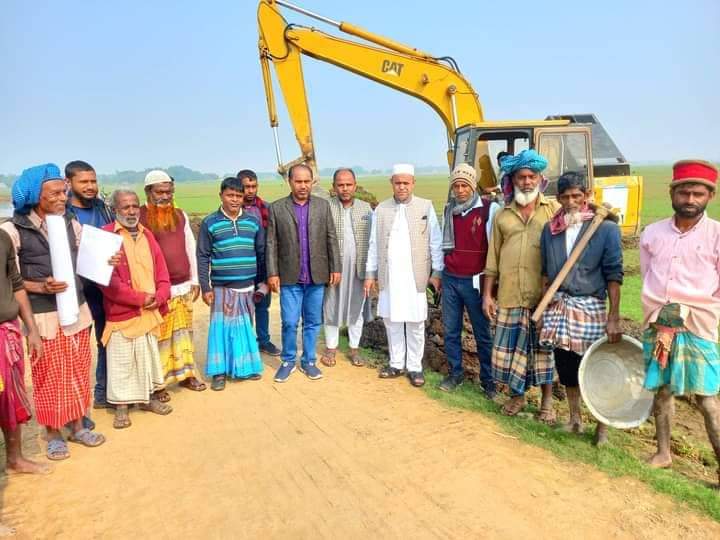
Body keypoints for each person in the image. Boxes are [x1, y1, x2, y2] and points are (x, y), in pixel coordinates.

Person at [2, 163, 106, 460]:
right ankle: (51, 432)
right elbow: (11, 278)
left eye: (63, 191)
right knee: (48, 373)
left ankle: (77, 424)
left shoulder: (69, 222)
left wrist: (104, 260)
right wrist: (40, 287)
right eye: (56, 193)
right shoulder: (13, 230)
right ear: (36, 196)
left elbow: (85, 260)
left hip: (77, 309)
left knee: (77, 368)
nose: (63, 197)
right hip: (43, 314)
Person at [640, 160, 720, 484]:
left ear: (709, 196)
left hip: (698, 325)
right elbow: (647, 274)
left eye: (697, 193)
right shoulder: (652, 233)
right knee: (661, 390)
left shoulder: (717, 234)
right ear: (672, 193)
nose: (690, 198)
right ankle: (663, 454)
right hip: (659, 321)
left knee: (707, 399)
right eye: (684, 191)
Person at [538, 172, 623, 444]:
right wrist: (543, 304)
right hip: (559, 306)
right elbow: (545, 272)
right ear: (558, 198)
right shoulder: (551, 230)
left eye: (577, 195)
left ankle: (602, 426)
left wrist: (614, 316)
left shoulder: (605, 229)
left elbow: (614, 274)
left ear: (587, 196)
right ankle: (575, 419)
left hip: (590, 306)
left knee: (597, 366)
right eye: (565, 196)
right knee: (566, 366)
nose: (572, 201)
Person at [482, 149, 560, 421]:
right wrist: (487, 295)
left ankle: (547, 404)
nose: (526, 182)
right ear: (513, 180)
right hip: (509, 294)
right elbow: (493, 257)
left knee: (544, 352)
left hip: (543, 297)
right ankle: (517, 398)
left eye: (531, 176)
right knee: (511, 350)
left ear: (540, 178)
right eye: (521, 177)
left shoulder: (554, 211)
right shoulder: (502, 215)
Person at [364, 164, 443, 388]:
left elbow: (435, 242)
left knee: (416, 322)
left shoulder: (425, 207)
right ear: (392, 183)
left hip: (415, 277)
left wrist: (437, 272)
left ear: (413, 183)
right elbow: (373, 244)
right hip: (390, 277)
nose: (402, 187)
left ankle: (415, 367)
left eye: (406, 183)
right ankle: (396, 363)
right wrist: (371, 273)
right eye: (398, 183)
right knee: (392, 321)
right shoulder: (381, 209)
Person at [101, 189, 173, 428]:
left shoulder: (147, 235)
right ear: (115, 210)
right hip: (123, 312)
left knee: (147, 357)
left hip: (150, 309)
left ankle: (148, 398)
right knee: (121, 362)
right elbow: (108, 282)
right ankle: (121, 408)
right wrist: (139, 299)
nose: (131, 211)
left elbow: (162, 271)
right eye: (125, 207)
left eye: (134, 206)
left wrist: (161, 295)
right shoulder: (106, 236)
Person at [266, 164, 341, 383]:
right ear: (289, 182)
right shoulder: (277, 208)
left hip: (317, 275)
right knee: (290, 321)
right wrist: (272, 273)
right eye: (298, 181)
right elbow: (271, 243)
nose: (303, 186)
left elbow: (331, 238)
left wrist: (335, 267)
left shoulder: (322, 206)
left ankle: (309, 361)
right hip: (290, 276)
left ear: (313, 182)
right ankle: (288, 360)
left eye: (307, 181)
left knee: (312, 321)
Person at [139, 170, 206, 396]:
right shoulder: (138, 217)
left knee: (185, 334)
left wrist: (195, 279)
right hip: (157, 290)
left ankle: (186, 375)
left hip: (183, 286)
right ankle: (159, 385)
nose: (165, 196)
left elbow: (190, 247)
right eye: (160, 192)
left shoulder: (180, 215)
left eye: (169, 191)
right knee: (160, 338)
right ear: (148, 192)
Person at [197, 177, 266, 391]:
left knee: (244, 328)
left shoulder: (253, 221)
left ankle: (244, 367)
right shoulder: (210, 223)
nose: (235, 199)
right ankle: (219, 373)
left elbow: (261, 253)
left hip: (247, 286)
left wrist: (262, 282)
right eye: (230, 195)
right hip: (222, 287)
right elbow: (202, 256)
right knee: (221, 331)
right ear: (221, 196)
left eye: (238, 195)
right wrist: (205, 287)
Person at [439, 163, 499, 395]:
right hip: (451, 279)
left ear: (473, 186)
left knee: (482, 333)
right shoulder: (448, 210)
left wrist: (490, 288)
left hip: (476, 282)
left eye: (465, 185)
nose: (461, 190)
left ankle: (489, 380)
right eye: (456, 186)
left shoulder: (488, 209)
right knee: (451, 330)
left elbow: (493, 246)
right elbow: (442, 247)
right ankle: (455, 373)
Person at [0, 227, 50, 475]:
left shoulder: (3, 238)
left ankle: (15, 458)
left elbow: (16, 283)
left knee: (9, 397)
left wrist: (32, 328)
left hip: (5, 334)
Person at [65, 160, 114, 409]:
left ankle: (103, 392)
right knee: (78, 347)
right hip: (77, 290)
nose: (90, 186)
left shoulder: (105, 208)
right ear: (69, 183)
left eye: (93, 181)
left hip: (105, 287)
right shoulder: (61, 215)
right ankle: (77, 401)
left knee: (107, 339)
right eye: (83, 181)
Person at [321, 168, 373, 367]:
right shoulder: (326, 206)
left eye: (348, 184)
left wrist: (371, 273)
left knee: (356, 308)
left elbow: (373, 243)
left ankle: (354, 349)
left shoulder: (366, 208)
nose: (345, 189)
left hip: (359, 269)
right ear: (334, 187)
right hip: (333, 269)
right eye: (340, 185)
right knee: (331, 307)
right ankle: (331, 349)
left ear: (355, 185)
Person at [237, 169, 281, 357]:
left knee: (262, 305)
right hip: (241, 267)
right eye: (246, 187)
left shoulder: (266, 208)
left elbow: (274, 238)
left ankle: (263, 341)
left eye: (254, 186)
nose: (250, 191)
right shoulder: (233, 210)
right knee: (243, 307)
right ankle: (245, 341)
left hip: (264, 265)